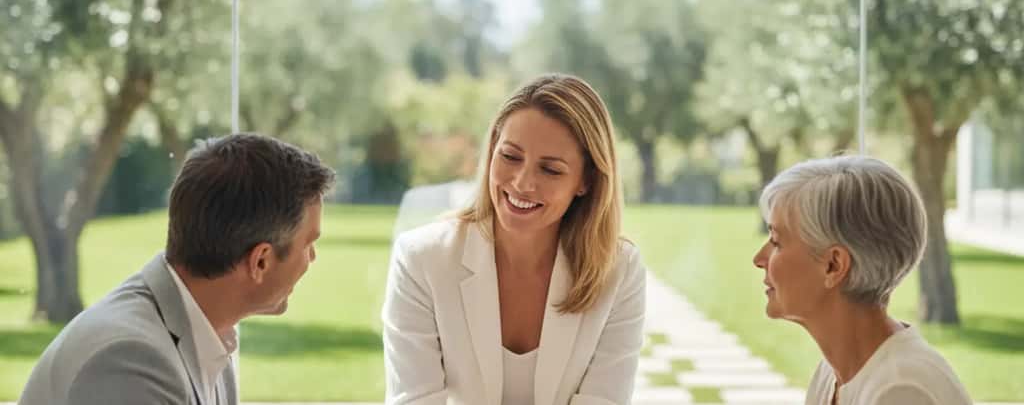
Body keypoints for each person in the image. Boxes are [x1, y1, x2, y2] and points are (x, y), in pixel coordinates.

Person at [382, 74, 646, 405]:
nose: (522, 183)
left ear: (586, 181)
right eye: (510, 156)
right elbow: (414, 400)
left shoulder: (618, 269)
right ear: (492, 150)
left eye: (550, 170)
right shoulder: (422, 258)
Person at [20, 133, 335, 405]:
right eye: (308, 244)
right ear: (261, 261)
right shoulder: (132, 360)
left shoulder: (210, 329)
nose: (312, 258)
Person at [753, 155, 971, 405]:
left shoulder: (901, 391)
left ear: (833, 266)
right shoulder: (832, 373)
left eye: (776, 242)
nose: (759, 258)